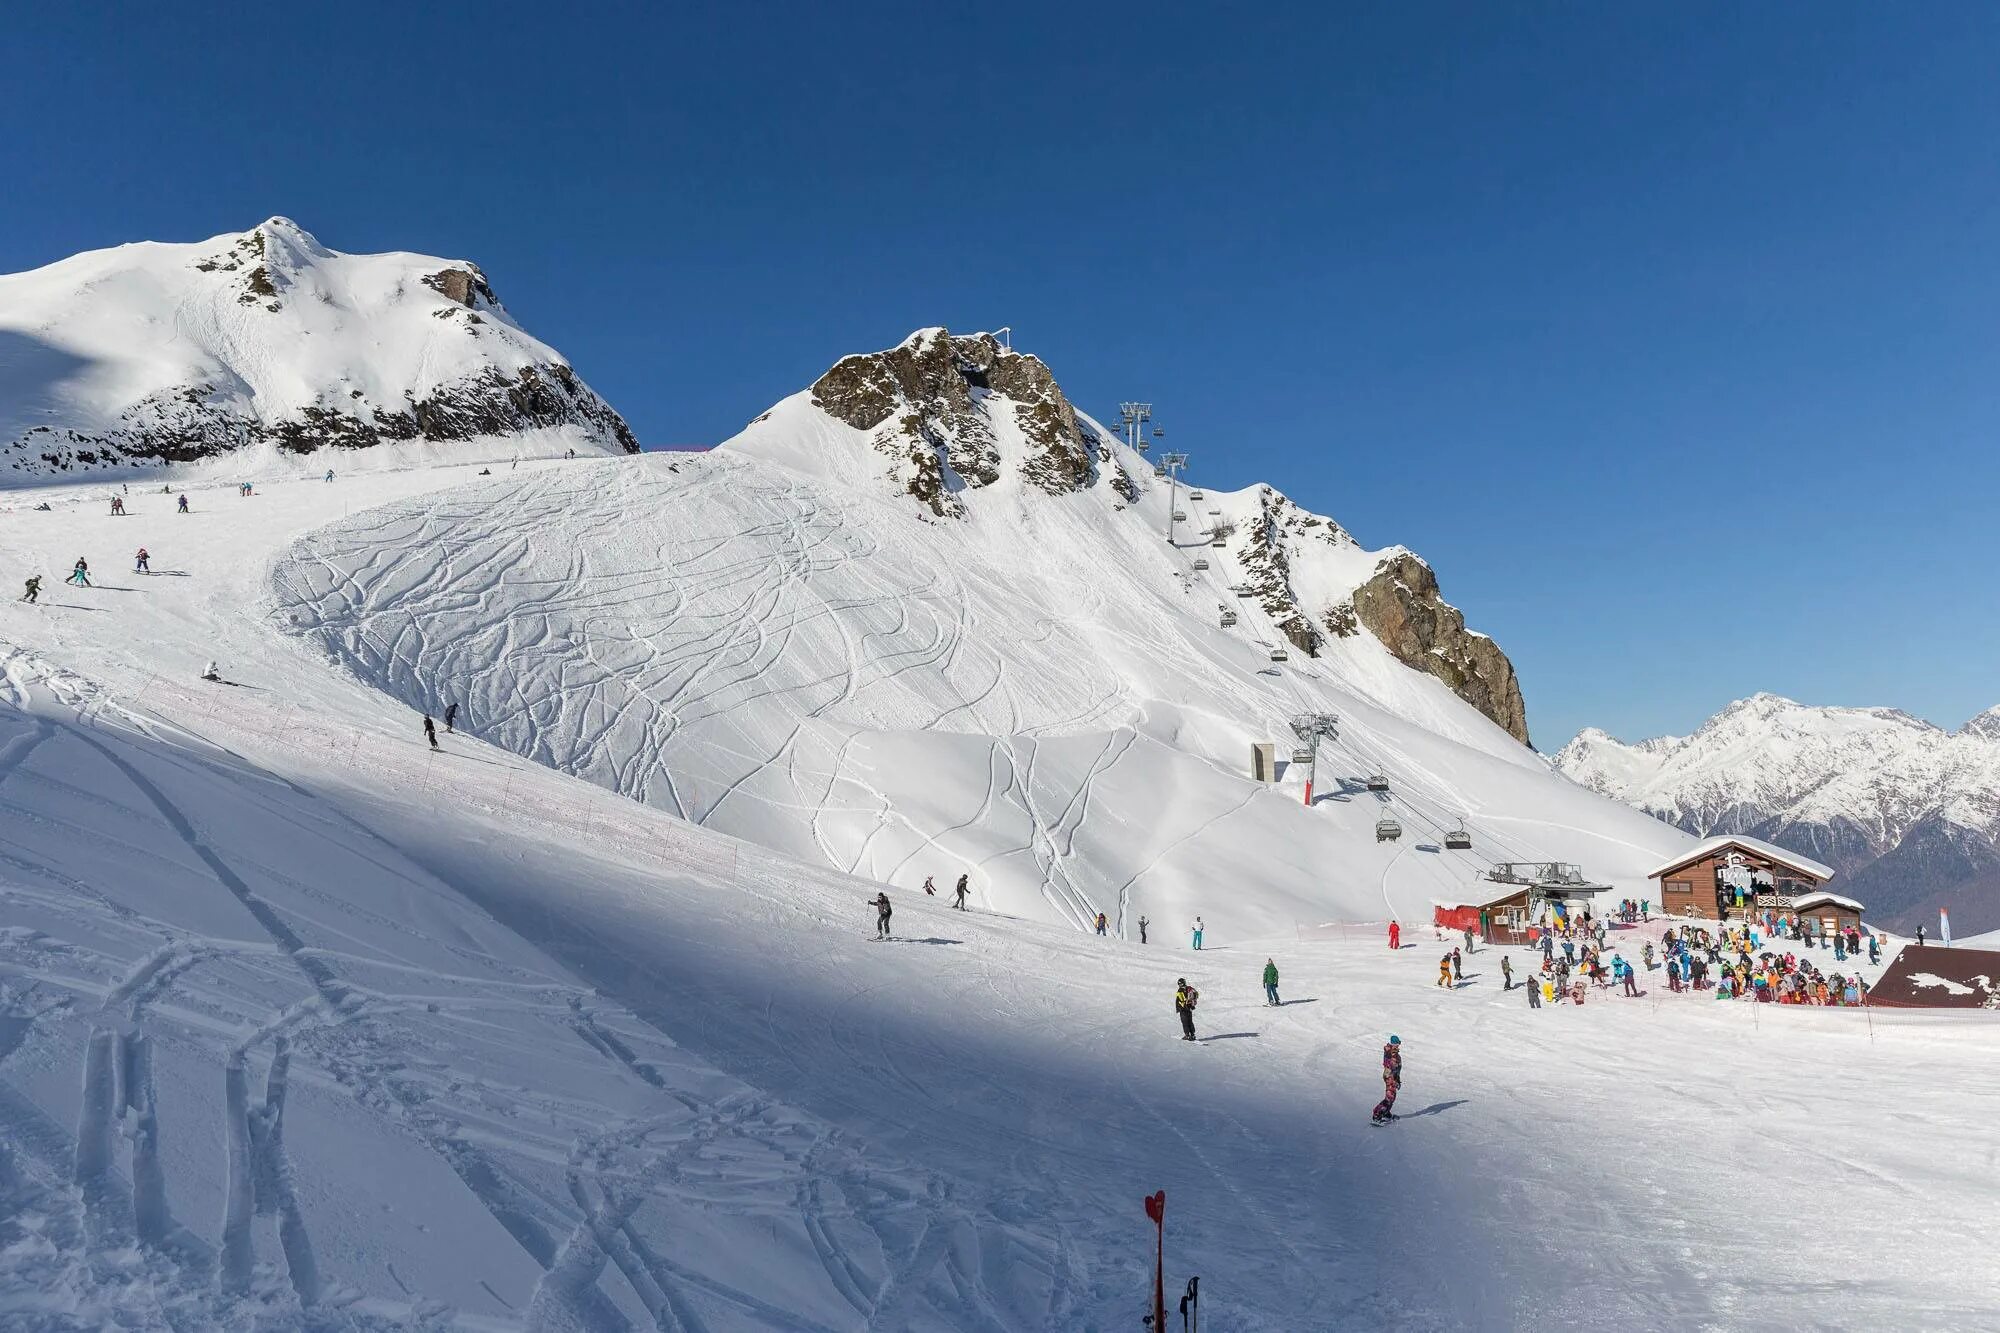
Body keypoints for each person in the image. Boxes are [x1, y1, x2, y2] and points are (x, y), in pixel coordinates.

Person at [1371, 1036, 1402, 1124]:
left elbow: (1395, 1068)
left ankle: (1386, 1113)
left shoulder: (1392, 1051)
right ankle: (1377, 1115)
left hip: (1391, 1076)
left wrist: (1397, 1080)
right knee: (1389, 1098)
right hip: (1390, 1077)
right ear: (1395, 1044)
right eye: (1398, 1043)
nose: (1399, 1045)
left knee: (1392, 1096)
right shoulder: (1391, 1052)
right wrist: (1395, 1080)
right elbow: (1391, 1066)